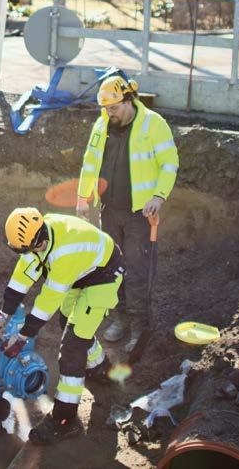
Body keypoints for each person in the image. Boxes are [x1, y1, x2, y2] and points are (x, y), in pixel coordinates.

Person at [0, 207, 125, 445]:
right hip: (84, 272)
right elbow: (22, 276)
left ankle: (65, 419)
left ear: (39, 240)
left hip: (104, 275)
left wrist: (22, 337)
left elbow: (48, 300)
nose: (27, 254)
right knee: (68, 322)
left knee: (72, 347)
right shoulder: (37, 235)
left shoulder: (64, 252)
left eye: (29, 250)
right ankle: (100, 366)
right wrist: (2, 314)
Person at [76, 67, 179, 357]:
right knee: (113, 270)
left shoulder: (152, 124)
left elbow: (169, 162)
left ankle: (140, 327)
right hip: (109, 210)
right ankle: (119, 318)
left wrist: (159, 196)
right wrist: (84, 197)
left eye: (114, 107)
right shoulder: (102, 125)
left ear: (129, 100)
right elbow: (89, 162)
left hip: (139, 214)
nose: (110, 113)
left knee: (136, 271)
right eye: (106, 108)